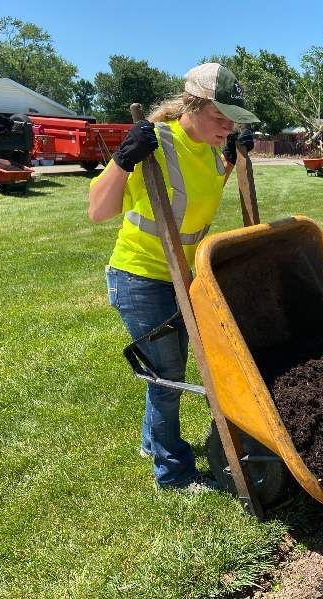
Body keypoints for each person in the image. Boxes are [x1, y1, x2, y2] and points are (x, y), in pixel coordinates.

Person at [88, 63, 257, 492]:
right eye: (220, 118)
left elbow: (196, 204)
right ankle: (173, 473)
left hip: (184, 275)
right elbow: (98, 212)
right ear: (192, 105)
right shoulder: (155, 143)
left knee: (171, 365)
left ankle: (151, 441)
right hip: (139, 276)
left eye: (232, 120)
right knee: (168, 371)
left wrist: (230, 159)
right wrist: (123, 159)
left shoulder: (211, 150)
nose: (227, 127)